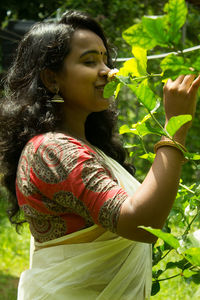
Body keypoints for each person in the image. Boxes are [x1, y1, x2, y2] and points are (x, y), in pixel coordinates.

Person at [0, 10, 200, 300]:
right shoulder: (51, 150)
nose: (109, 71)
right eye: (90, 61)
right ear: (51, 79)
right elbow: (141, 223)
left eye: (106, 60)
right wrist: (174, 127)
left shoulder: (87, 148)